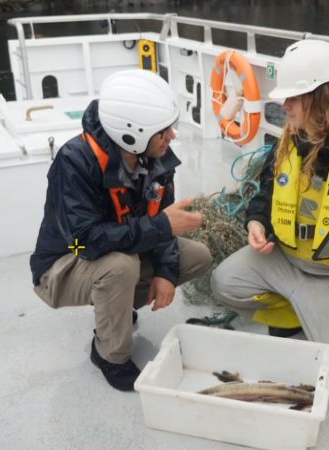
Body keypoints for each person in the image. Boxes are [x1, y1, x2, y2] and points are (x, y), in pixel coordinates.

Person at [210, 40, 329, 378]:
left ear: (321, 98)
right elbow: (265, 195)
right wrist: (256, 222)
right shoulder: (288, 140)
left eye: (294, 97)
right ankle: (299, 309)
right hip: (284, 259)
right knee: (223, 283)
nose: (285, 105)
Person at [30, 69, 212, 391]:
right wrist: (161, 226)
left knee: (197, 256)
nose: (171, 136)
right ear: (133, 134)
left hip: (111, 251)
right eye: (163, 131)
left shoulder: (154, 156)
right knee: (121, 267)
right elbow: (83, 242)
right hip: (62, 261)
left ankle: (114, 306)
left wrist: (166, 272)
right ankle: (109, 356)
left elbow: (160, 216)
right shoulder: (74, 162)